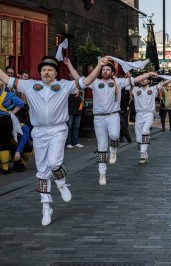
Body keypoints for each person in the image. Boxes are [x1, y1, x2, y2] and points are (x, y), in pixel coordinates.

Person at [0, 55, 107, 226]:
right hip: (39, 132)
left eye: (50, 70)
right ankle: (46, 207)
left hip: (58, 129)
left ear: (56, 73)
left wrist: (99, 66)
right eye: (43, 70)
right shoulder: (29, 86)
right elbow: (6, 78)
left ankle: (62, 184)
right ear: (40, 73)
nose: (46, 72)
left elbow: (85, 82)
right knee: (42, 170)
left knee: (54, 162)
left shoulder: (64, 85)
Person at [76, 59, 157, 185]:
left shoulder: (118, 82)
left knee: (115, 135)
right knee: (101, 146)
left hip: (114, 115)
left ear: (112, 72)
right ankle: (102, 173)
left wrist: (149, 74)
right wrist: (69, 65)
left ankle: (116, 149)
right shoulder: (95, 82)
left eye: (108, 69)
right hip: (99, 117)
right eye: (103, 70)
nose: (105, 71)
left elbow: (135, 80)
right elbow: (80, 81)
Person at [132, 75, 167, 164]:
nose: (143, 80)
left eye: (145, 79)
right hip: (139, 114)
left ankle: (143, 154)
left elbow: (162, 83)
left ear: (148, 81)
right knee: (138, 135)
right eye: (141, 79)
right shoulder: (135, 90)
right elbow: (125, 83)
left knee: (145, 132)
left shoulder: (153, 89)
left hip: (149, 114)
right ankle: (142, 148)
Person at [0, 87, 23, 174]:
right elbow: (20, 103)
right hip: (5, 120)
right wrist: (11, 113)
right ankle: (5, 168)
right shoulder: (8, 95)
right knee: (4, 144)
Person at [66, 71, 85, 149]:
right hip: (70, 107)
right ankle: (68, 143)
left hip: (78, 107)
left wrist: (83, 99)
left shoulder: (80, 84)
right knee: (69, 126)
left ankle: (75, 142)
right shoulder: (67, 84)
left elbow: (82, 92)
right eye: (71, 74)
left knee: (76, 126)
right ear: (69, 75)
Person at [119, 71, 133, 143]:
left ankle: (124, 137)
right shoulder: (118, 88)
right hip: (118, 108)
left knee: (124, 123)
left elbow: (130, 97)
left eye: (128, 73)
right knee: (122, 123)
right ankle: (126, 138)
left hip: (125, 107)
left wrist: (128, 105)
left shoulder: (130, 86)